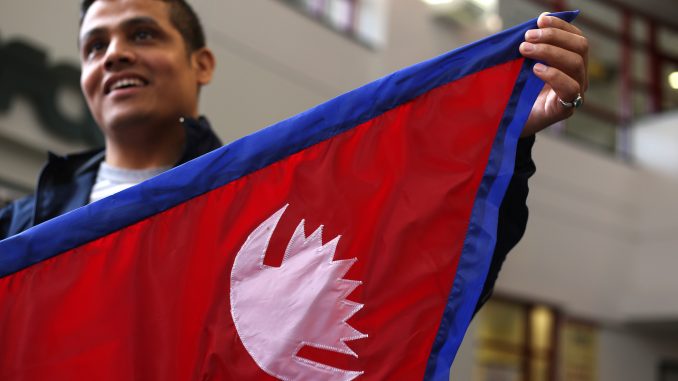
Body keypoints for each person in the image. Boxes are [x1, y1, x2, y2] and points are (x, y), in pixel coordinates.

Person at [0, 0, 588, 312]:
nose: (115, 55)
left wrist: (505, 135)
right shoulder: (19, 230)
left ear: (202, 63)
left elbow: (418, 278)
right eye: (94, 46)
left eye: (143, 34)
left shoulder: (260, 214)